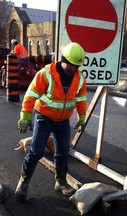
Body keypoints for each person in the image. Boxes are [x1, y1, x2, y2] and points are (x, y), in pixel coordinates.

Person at [15, 42, 87, 200]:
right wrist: (25, 117)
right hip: (44, 118)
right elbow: (30, 96)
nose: (74, 69)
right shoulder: (46, 74)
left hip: (63, 121)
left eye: (77, 66)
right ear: (63, 59)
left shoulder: (79, 78)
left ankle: (60, 182)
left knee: (62, 153)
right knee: (36, 152)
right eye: (72, 65)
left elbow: (81, 99)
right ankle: (23, 183)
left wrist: (82, 118)